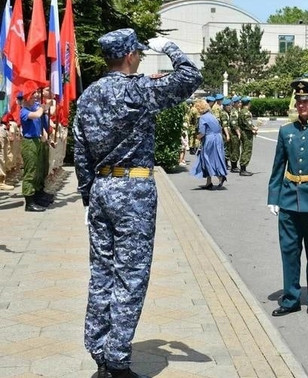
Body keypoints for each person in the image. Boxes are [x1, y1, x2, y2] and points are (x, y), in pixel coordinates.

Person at [73, 28, 201, 378]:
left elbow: (81, 152)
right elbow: (191, 77)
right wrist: (171, 48)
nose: (142, 58)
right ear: (129, 55)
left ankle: (98, 349)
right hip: (133, 191)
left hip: (100, 189)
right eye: (140, 53)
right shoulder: (138, 90)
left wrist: (89, 196)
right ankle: (116, 358)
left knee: (101, 273)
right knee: (131, 276)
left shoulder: (89, 95)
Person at [267, 79, 308, 317]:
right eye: (298, 101)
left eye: (306, 101)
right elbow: (278, 167)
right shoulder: (287, 131)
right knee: (289, 251)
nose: (301, 105)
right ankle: (291, 298)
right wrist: (273, 197)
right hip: (288, 200)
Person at [20, 81, 53, 211]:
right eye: (32, 95)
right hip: (29, 143)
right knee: (31, 172)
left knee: (39, 170)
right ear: (25, 99)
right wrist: (43, 108)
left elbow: (41, 122)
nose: (35, 97)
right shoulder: (24, 111)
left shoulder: (34, 107)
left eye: (35, 94)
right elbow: (36, 115)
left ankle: (38, 195)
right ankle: (29, 201)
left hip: (37, 141)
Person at [190, 99, 228, 189]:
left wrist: (197, 137)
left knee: (206, 159)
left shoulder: (202, 118)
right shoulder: (211, 115)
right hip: (218, 138)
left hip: (210, 139)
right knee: (216, 157)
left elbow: (202, 132)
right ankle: (209, 182)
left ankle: (219, 177)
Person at [237, 96, 256, 176]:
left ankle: (243, 168)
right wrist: (254, 128)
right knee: (247, 150)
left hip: (243, 132)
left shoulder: (241, 111)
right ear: (248, 103)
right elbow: (248, 124)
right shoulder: (246, 112)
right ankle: (243, 169)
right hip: (247, 134)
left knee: (244, 149)